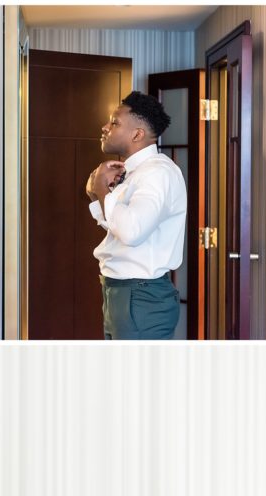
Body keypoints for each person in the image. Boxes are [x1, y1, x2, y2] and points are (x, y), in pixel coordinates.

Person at [85, 91, 186, 340]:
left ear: (137, 134)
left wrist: (103, 193)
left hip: (140, 296)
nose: (105, 127)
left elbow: (131, 232)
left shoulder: (157, 173)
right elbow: (120, 228)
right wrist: (97, 195)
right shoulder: (135, 171)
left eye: (114, 122)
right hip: (121, 293)